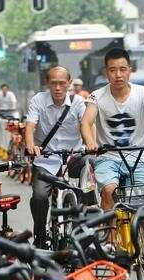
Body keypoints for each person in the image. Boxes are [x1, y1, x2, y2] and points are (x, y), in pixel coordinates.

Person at [81, 48, 144, 268]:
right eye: (113, 70)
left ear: (130, 70)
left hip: (137, 157)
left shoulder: (143, 93)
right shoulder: (97, 95)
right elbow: (86, 122)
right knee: (109, 191)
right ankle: (112, 242)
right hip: (108, 157)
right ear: (106, 72)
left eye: (123, 69)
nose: (118, 74)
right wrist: (90, 143)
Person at [25, 66, 93, 248]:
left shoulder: (78, 101)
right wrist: (31, 146)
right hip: (46, 160)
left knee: (90, 172)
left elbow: (85, 124)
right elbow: (30, 126)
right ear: (47, 83)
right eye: (53, 83)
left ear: (68, 83)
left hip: (73, 158)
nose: (57, 87)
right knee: (39, 196)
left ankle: (88, 227)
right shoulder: (38, 100)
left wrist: (90, 144)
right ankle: (39, 235)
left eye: (62, 83)